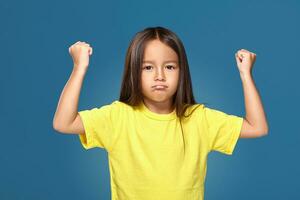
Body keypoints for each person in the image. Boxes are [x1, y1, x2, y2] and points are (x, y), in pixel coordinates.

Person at [53, 26, 269, 200]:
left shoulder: (199, 119)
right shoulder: (117, 116)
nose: (159, 76)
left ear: (181, 71)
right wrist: (78, 68)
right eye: (147, 67)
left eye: (169, 67)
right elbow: (63, 123)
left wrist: (245, 75)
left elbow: (257, 127)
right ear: (133, 72)